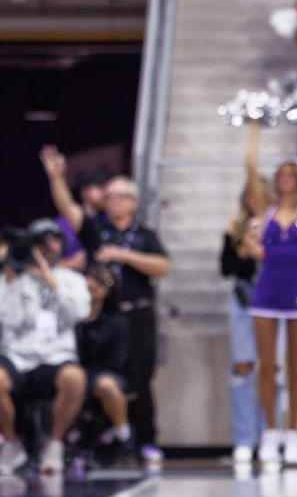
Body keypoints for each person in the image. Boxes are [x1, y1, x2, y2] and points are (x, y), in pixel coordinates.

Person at [42, 149, 171, 467]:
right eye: (109, 196)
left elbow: (162, 267)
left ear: (132, 201)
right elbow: (68, 210)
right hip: (103, 315)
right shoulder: (97, 231)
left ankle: (145, 440)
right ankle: (96, 438)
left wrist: (123, 256)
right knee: (98, 376)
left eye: (119, 196)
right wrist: (57, 178)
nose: (113, 201)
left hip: (137, 312)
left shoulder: (144, 235)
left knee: (141, 378)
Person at [242, 124, 297, 466]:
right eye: (282, 173)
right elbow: (249, 167)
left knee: (296, 365)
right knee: (266, 364)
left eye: (293, 173)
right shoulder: (265, 208)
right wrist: (255, 129)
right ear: (275, 180)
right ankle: (271, 432)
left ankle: (294, 432)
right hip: (268, 289)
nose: (288, 177)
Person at [0, 221, 91, 475]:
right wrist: (11, 279)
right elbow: (9, 321)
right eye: (42, 242)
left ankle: (54, 443)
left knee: (75, 379)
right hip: (18, 356)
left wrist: (51, 282)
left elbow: (80, 312)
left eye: (55, 240)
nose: (49, 247)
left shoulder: (71, 279)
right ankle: (12, 443)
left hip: (55, 355)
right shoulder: (12, 279)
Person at [221, 206, 268, 466]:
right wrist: (242, 247)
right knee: (242, 367)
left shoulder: (284, 230)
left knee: (276, 370)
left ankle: (270, 434)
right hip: (243, 305)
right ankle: (244, 439)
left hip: (275, 306)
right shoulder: (235, 241)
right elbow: (227, 268)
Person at [77, 263, 135, 465]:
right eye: (91, 279)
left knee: (106, 385)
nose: (94, 285)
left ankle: (123, 434)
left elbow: (115, 360)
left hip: (105, 371)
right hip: (74, 370)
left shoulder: (116, 321)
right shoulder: (72, 315)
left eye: (102, 282)